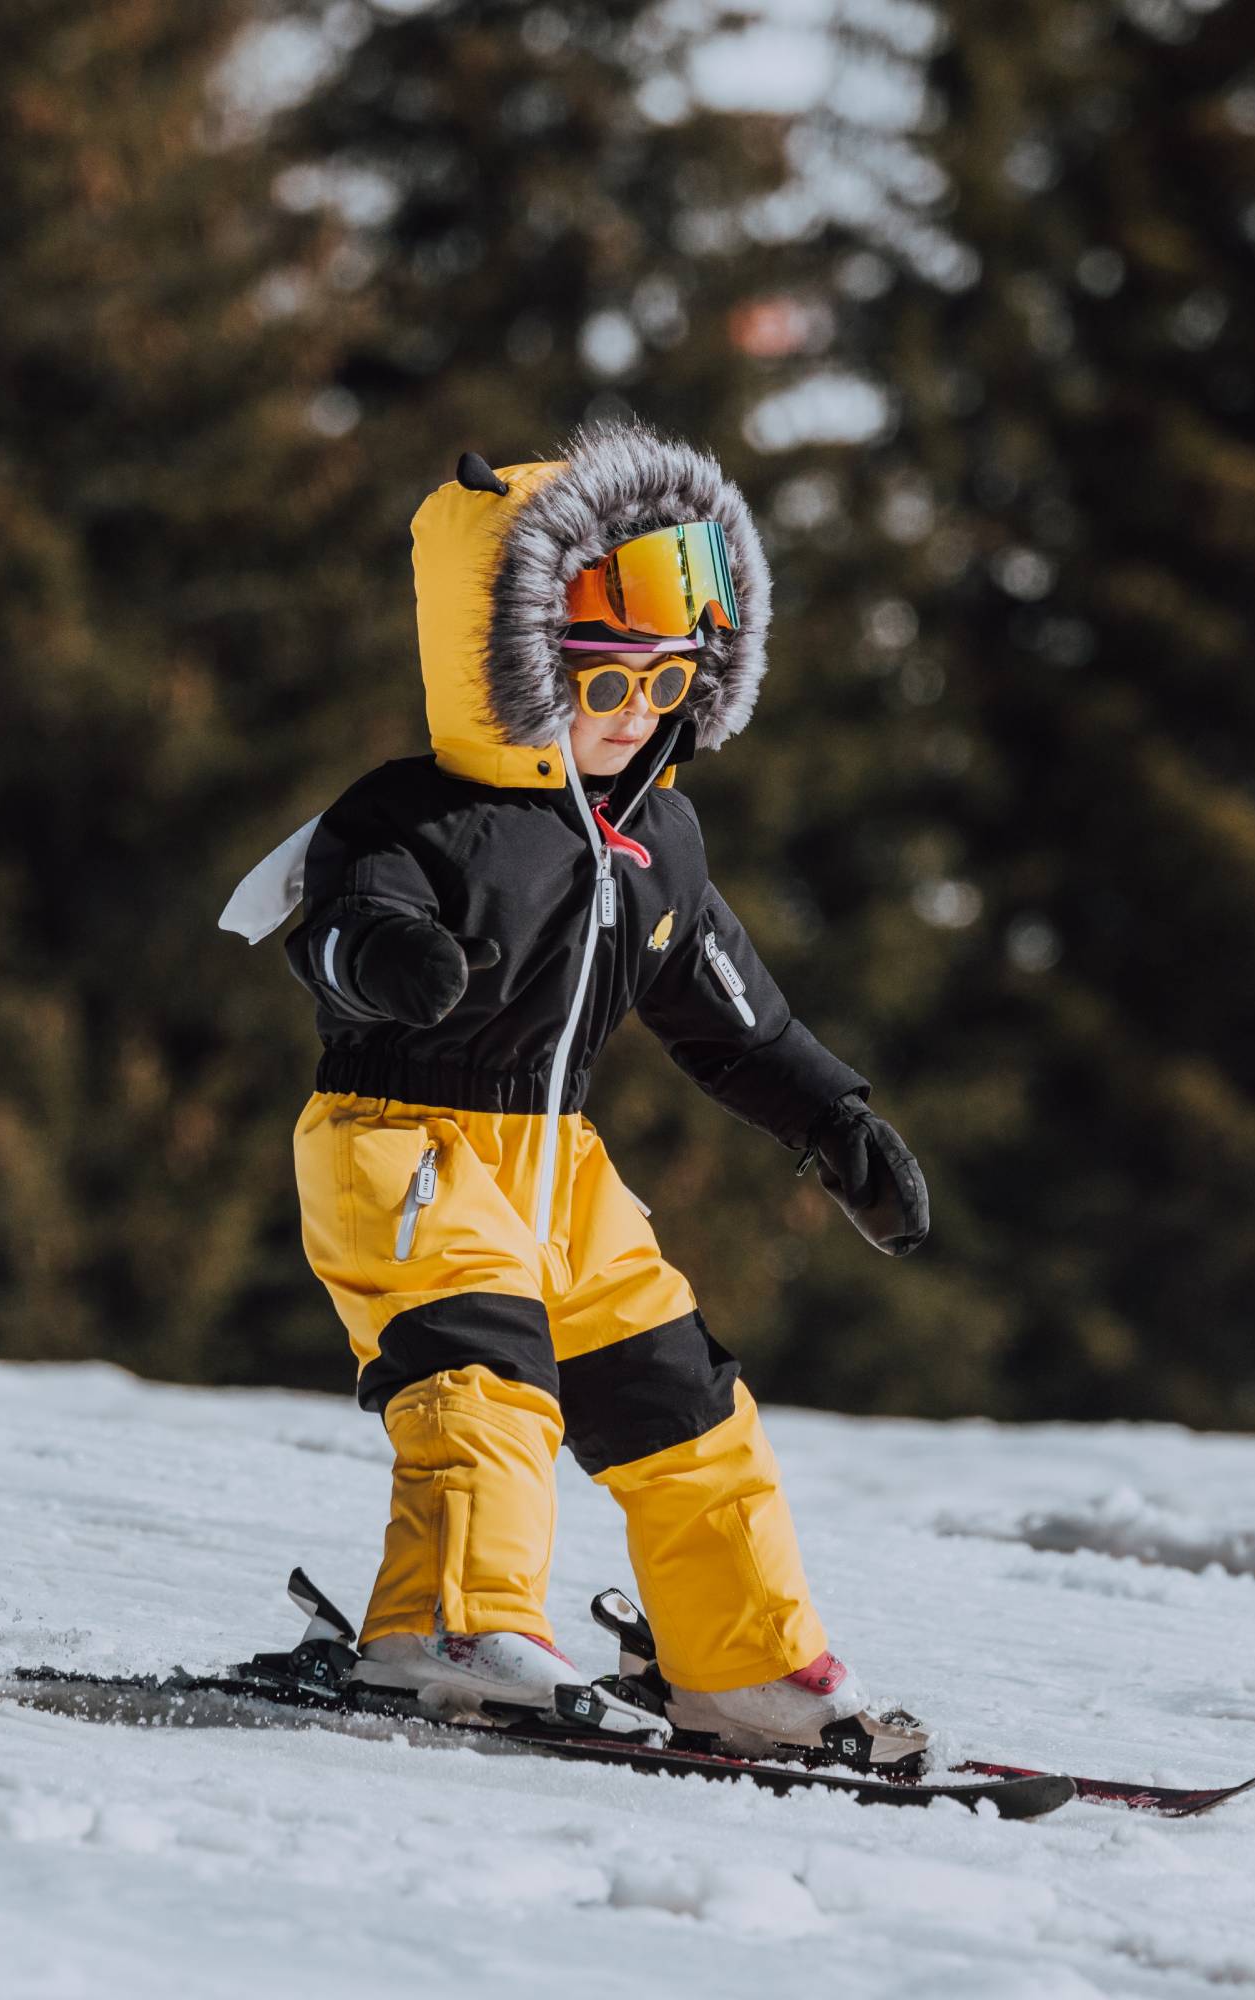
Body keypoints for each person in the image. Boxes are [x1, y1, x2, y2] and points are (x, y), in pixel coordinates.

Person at [220, 422, 929, 1757]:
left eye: (668, 686)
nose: (636, 719)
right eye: (605, 686)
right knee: (483, 1384)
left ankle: (742, 1666)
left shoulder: (656, 839)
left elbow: (734, 1017)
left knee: (688, 1408)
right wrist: (386, 954)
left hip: (561, 1172)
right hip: (403, 1142)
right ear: (518, 674)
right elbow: (333, 924)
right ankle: (444, 1624)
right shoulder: (411, 817)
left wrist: (836, 1119)